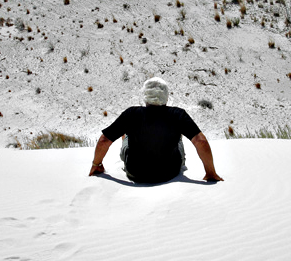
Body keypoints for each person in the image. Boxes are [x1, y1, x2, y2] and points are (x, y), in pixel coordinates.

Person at [89, 77, 223, 184]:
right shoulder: (178, 114)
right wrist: (210, 172)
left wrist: (96, 164)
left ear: (145, 95)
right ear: (166, 95)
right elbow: (201, 142)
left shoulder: (131, 113)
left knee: (125, 135)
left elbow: (104, 140)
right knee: (179, 137)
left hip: (135, 173)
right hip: (170, 172)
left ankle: (127, 138)